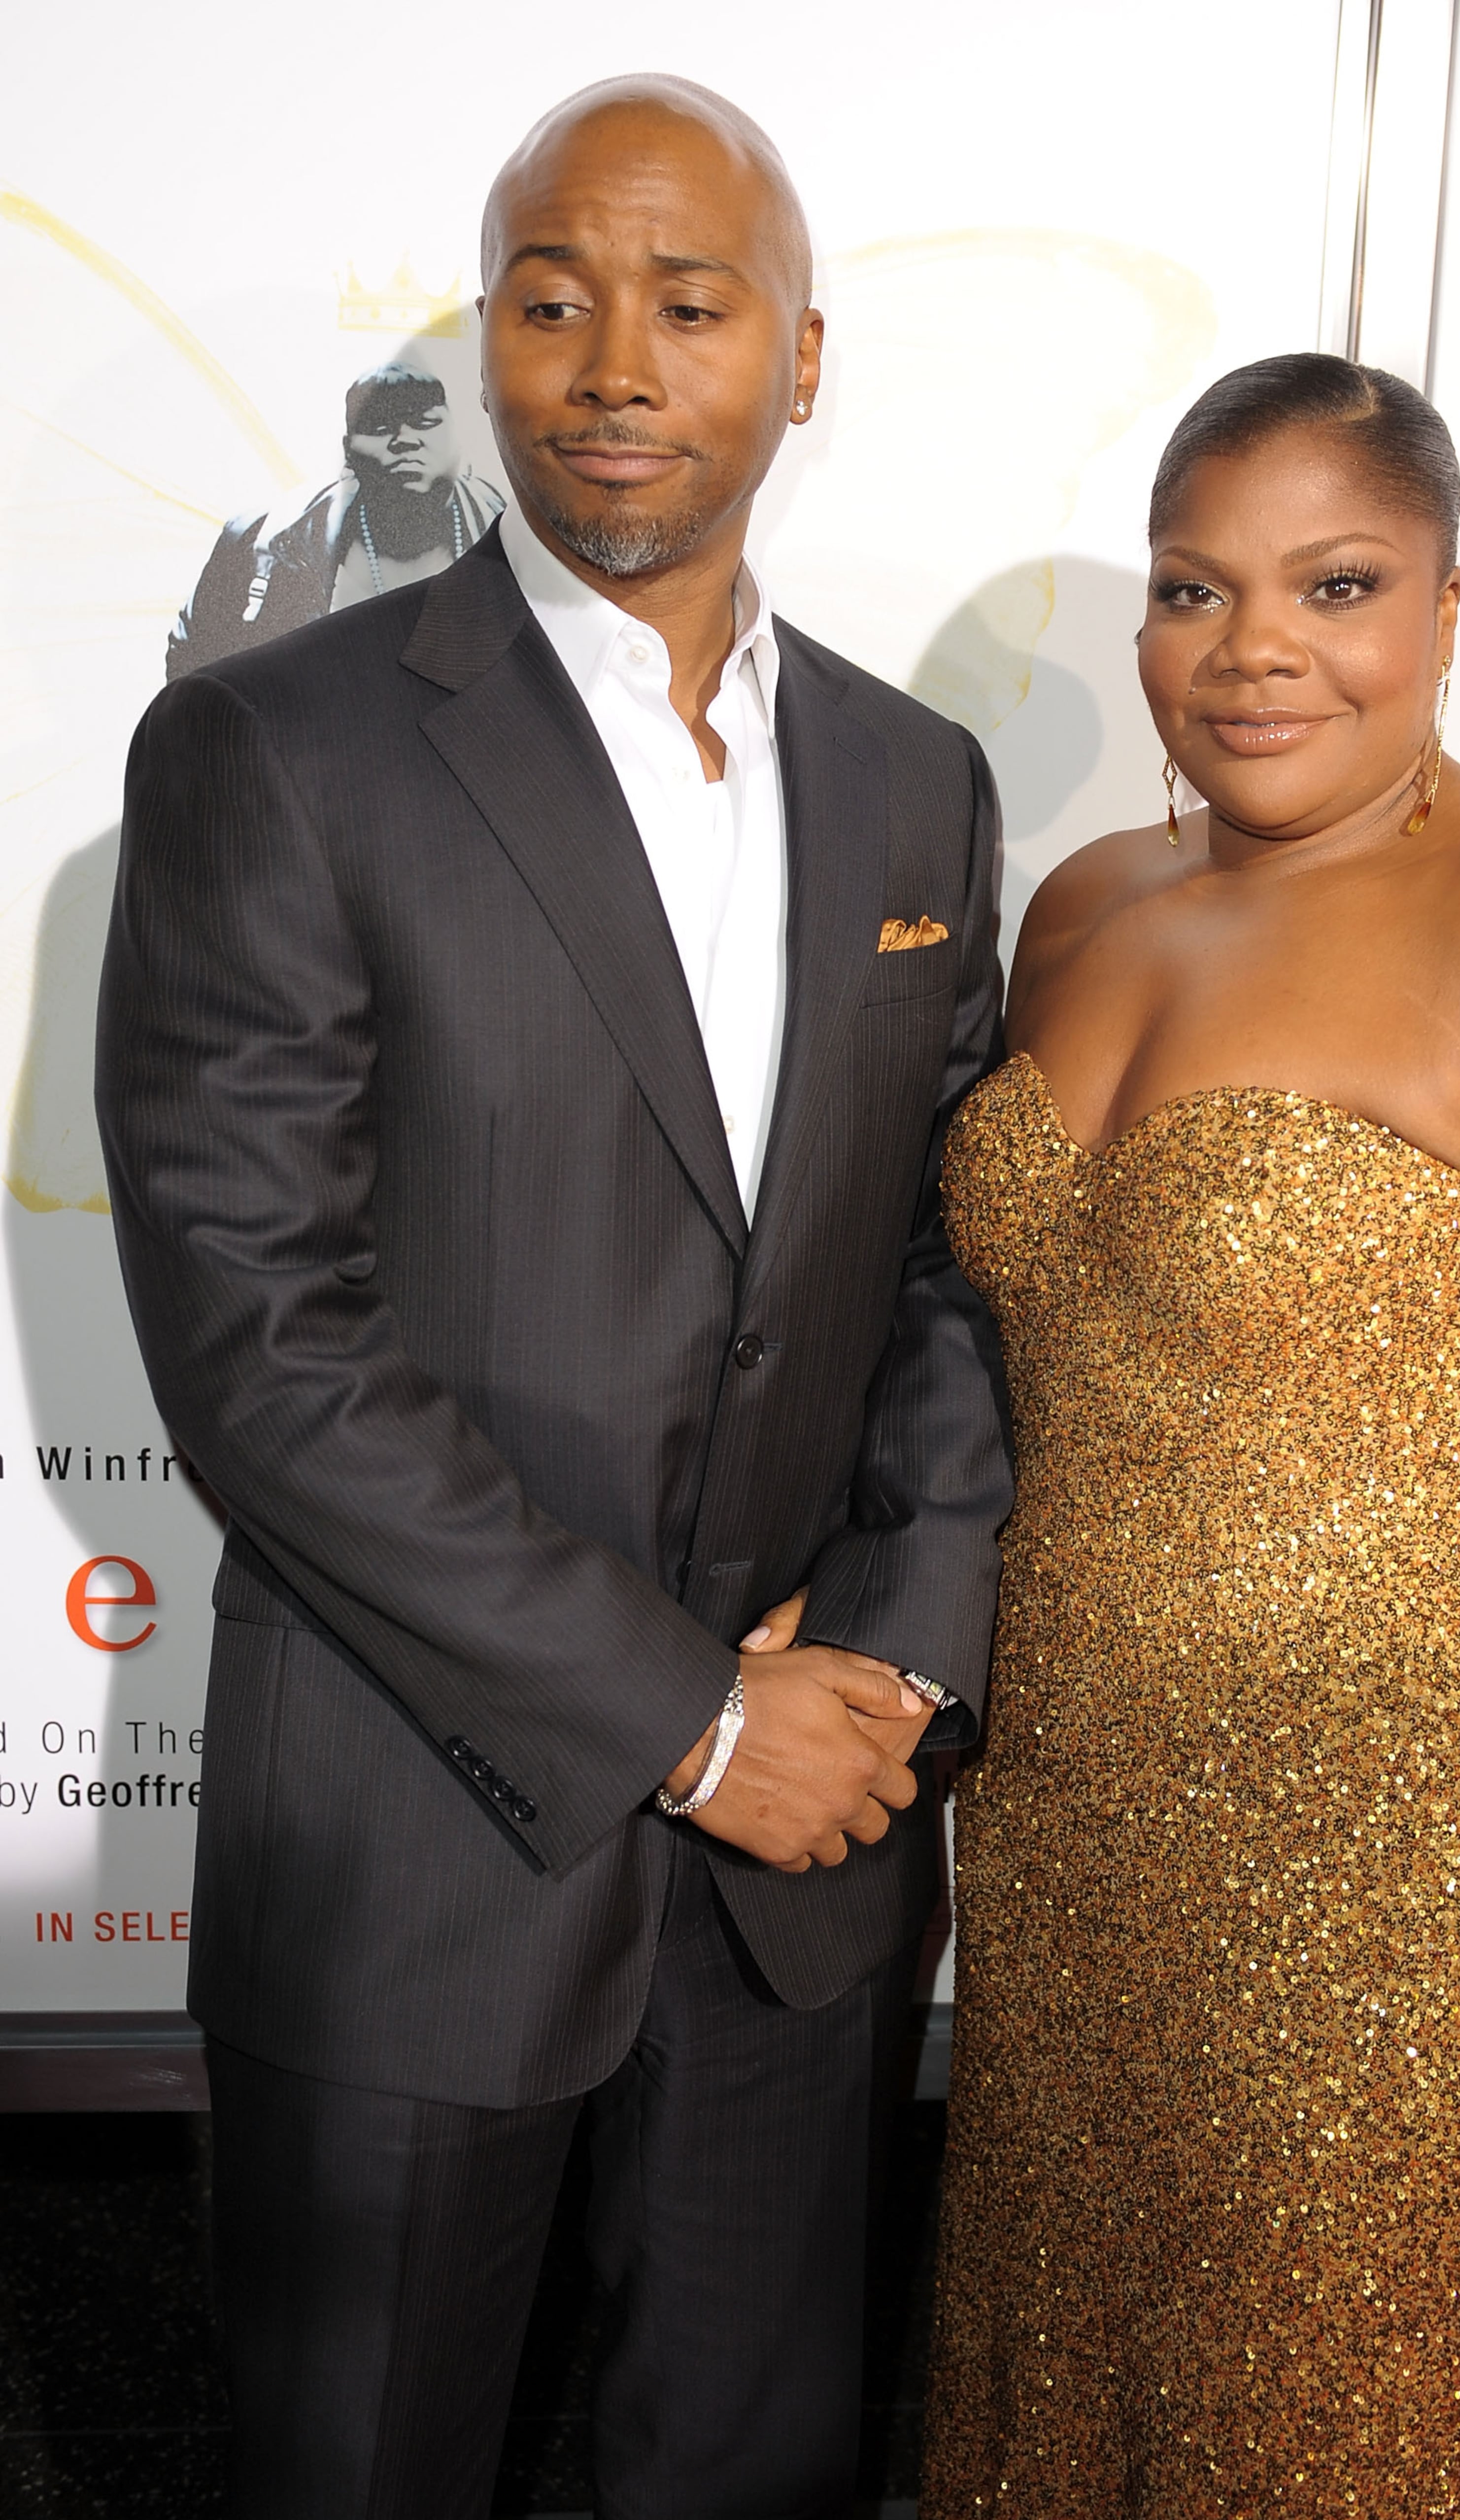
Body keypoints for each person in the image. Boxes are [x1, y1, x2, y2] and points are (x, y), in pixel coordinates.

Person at [98, 74, 1011, 2520]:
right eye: (550, 296)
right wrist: (689, 1712)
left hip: (800, 1879)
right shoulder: (271, 752)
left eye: (689, 303)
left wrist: (901, 1665)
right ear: (493, 342)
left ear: (798, 361)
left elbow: (949, 1256)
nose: (613, 359)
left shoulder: (919, 785)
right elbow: (262, 1343)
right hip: (418, 1852)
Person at [920, 353, 1460, 2517]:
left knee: (1330, 2441)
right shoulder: (1084, 914)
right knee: (1058, 2427)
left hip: (1401, 1899)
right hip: (1066, 1870)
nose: (1254, 654)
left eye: (1334, 586)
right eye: (1190, 589)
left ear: (1443, 607)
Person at [164, 361, 507, 679]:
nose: (404, 440)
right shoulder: (262, 539)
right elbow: (192, 667)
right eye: (381, 425)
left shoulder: (515, 531)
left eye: (425, 422)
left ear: (458, 439)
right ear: (348, 451)